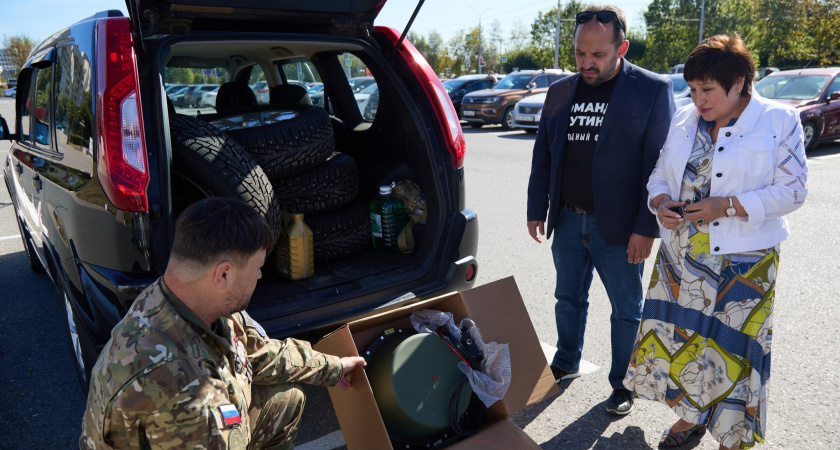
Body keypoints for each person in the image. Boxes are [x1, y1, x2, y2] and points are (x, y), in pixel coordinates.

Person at [622, 34, 807, 449]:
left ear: (740, 81)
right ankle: (689, 419)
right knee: (685, 340)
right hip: (680, 256)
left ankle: (731, 432)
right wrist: (660, 200)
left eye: (707, 89)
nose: (698, 99)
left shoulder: (778, 120)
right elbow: (659, 174)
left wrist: (727, 206)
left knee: (731, 350)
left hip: (745, 261)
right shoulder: (685, 119)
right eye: (692, 89)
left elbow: (794, 191)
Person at [80, 197, 367, 449]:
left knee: (285, 399)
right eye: (257, 268)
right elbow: (199, 412)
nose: (259, 277)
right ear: (224, 274)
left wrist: (332, 368)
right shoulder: (188, 392)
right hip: (186, 424)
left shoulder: (184, 297)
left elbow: (259, 353)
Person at [526, 4, 674, 415]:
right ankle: (566, 360)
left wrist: (646, 228)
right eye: (579, 54)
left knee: (626, 310)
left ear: (621, 47)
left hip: (623, 227)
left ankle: (622, 385)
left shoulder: (651, 89)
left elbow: (659, 164)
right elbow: (544, 155)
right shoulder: (559, 91)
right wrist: (536, 207)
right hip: (569, 219)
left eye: (598, 55)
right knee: (567, 298)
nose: (587, 64)